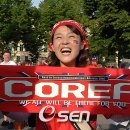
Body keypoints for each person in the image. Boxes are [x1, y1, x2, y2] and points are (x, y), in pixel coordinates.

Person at [35, 20, 96, 130]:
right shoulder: (39, 77)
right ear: (52, 46)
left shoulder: (95, 77)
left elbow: (118, 116)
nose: (65, 42)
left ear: (82, 44)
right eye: (59, 37)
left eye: (71, 37)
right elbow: (21, 115)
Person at [0, 50, 16, 129]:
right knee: (4, 103)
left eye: (8, 55)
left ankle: (11, 121)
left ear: (10, 56)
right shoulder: (1, 64)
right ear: (3, 56)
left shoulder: (13, 64)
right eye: (5, 55)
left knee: (10, 104)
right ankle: (5, 119)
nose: (6, 57)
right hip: (2, 86)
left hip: (11, 86)